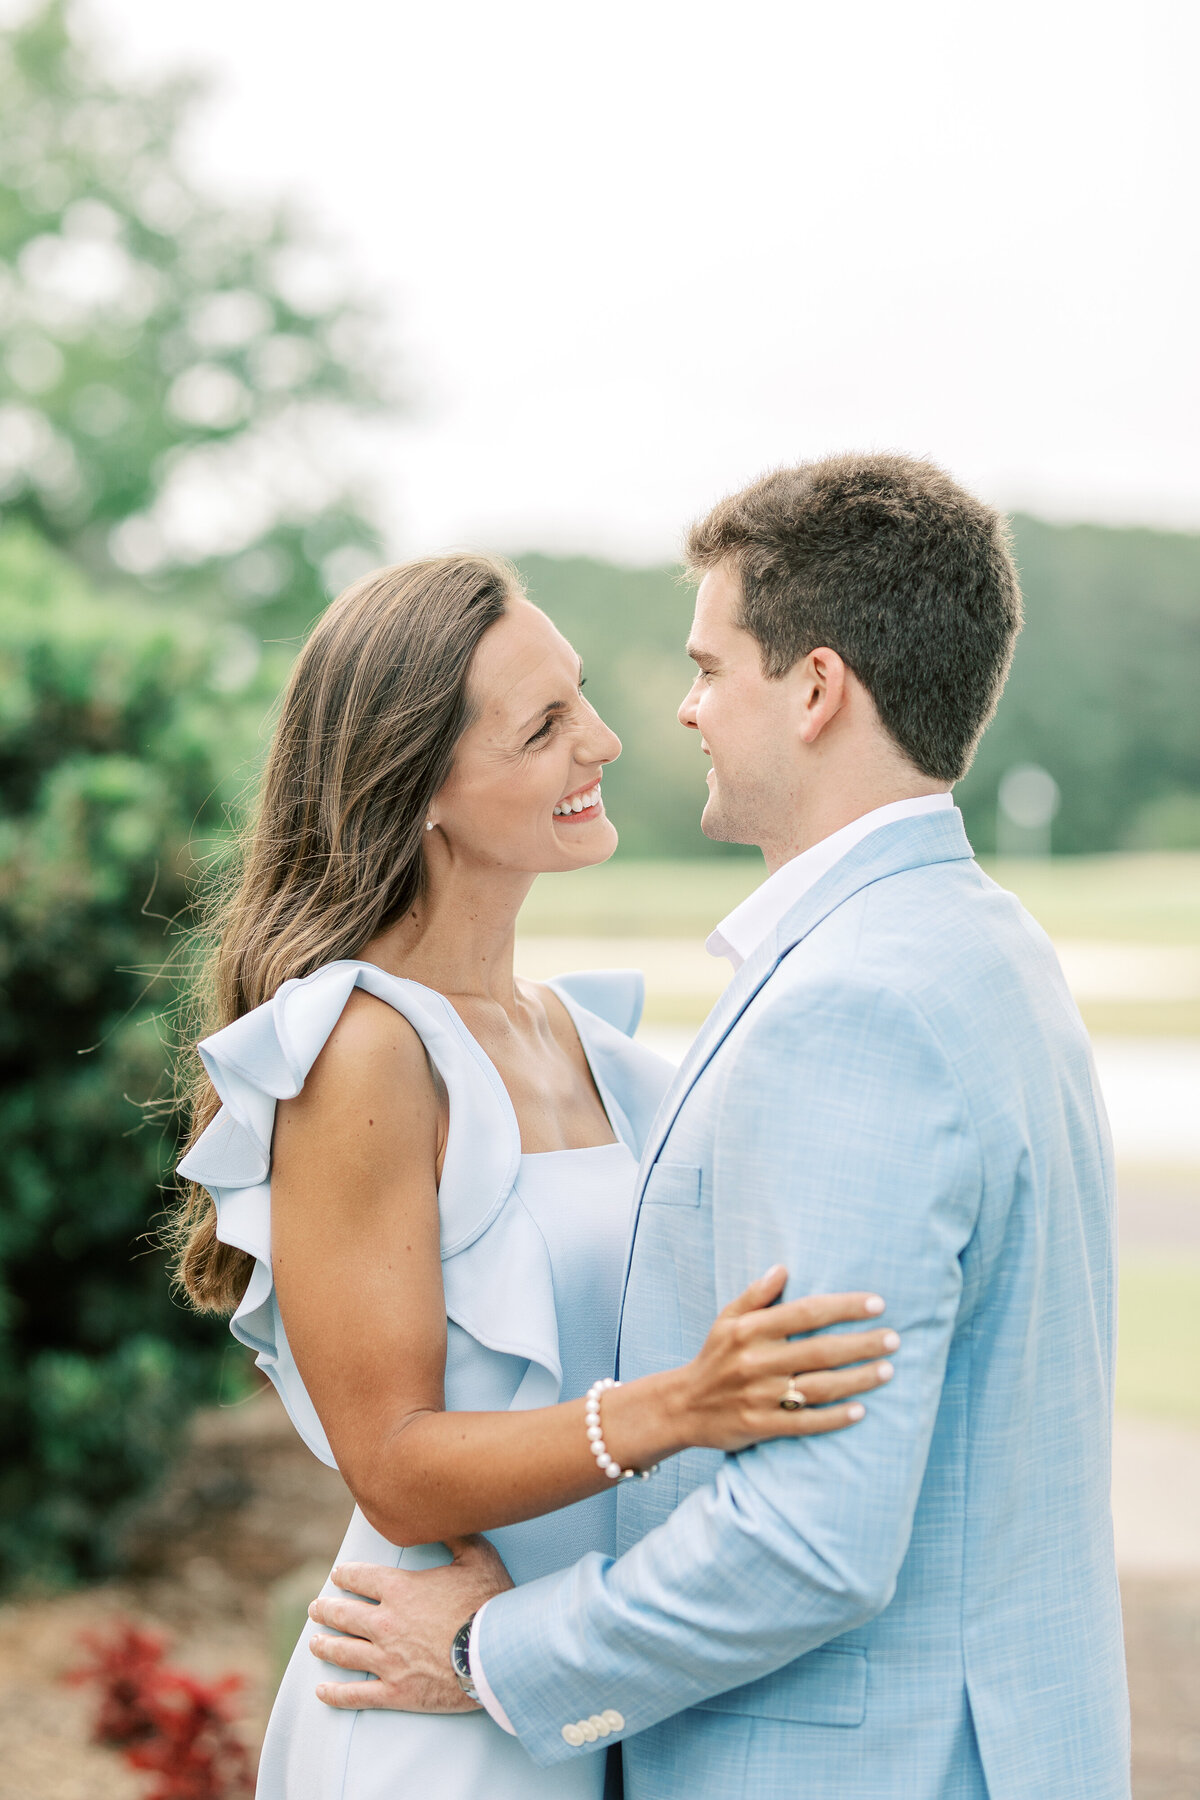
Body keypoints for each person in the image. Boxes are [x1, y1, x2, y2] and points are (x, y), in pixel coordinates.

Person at [308, 455, 1131, 1800]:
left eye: (708, 666)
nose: (674, 713)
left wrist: (485, 1654)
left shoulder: (853, 1007)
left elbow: (810, 1538)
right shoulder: (987, 947)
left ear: (814, 690)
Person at [171, 550, 899, 1800]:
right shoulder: (362, 1050)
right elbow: (391, 1459)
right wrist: (681, 1408)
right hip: (425, 1719)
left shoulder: (592, 1044)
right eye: (544, 725)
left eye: (584, 700)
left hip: (566, 1686)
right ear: (424, 786)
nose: (607, 741)